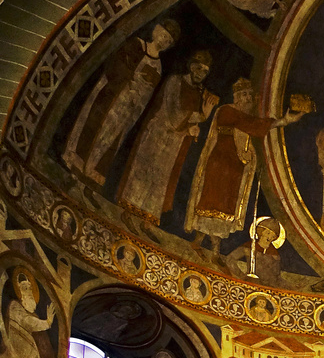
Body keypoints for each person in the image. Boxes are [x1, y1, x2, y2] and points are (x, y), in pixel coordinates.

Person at [185, 78, 305, 251]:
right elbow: (251, 124)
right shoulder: (227, 111)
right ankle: (202, 242)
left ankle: (213, 247)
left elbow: (251, 125)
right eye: (244, 95)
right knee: (210, 202)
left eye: (250, 94)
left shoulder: (246, 117)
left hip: (235, 167)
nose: (248, 98)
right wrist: (282, 122)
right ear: (236, 97)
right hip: (219, 164)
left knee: (226, 207)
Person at [63, 20, 181, 184]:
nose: (164, 40)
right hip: (111, 97)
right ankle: (76, 167)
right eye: (163, 35)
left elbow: (148, 93)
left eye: (168, 40)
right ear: (156, 31)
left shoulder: (158, 66)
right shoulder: (137, 45)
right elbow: (117, 64)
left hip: (127, 109)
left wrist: (138, 95)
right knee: (94, 126)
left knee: (110, 140)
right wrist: (131, 81)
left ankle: (90, 177)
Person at [117, 50, 218, 221]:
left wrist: (193, 129)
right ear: (192, 67)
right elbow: (173, 113)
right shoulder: (175, 81)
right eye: (199, 69)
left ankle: (148, 221)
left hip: (174, 141)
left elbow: (187, 122)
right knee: (143, 171)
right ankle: (129, 212)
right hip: (158, 132)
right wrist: (202, 116)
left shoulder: (200, 92)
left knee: (160, 179)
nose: (201, 74)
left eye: (205, 72)